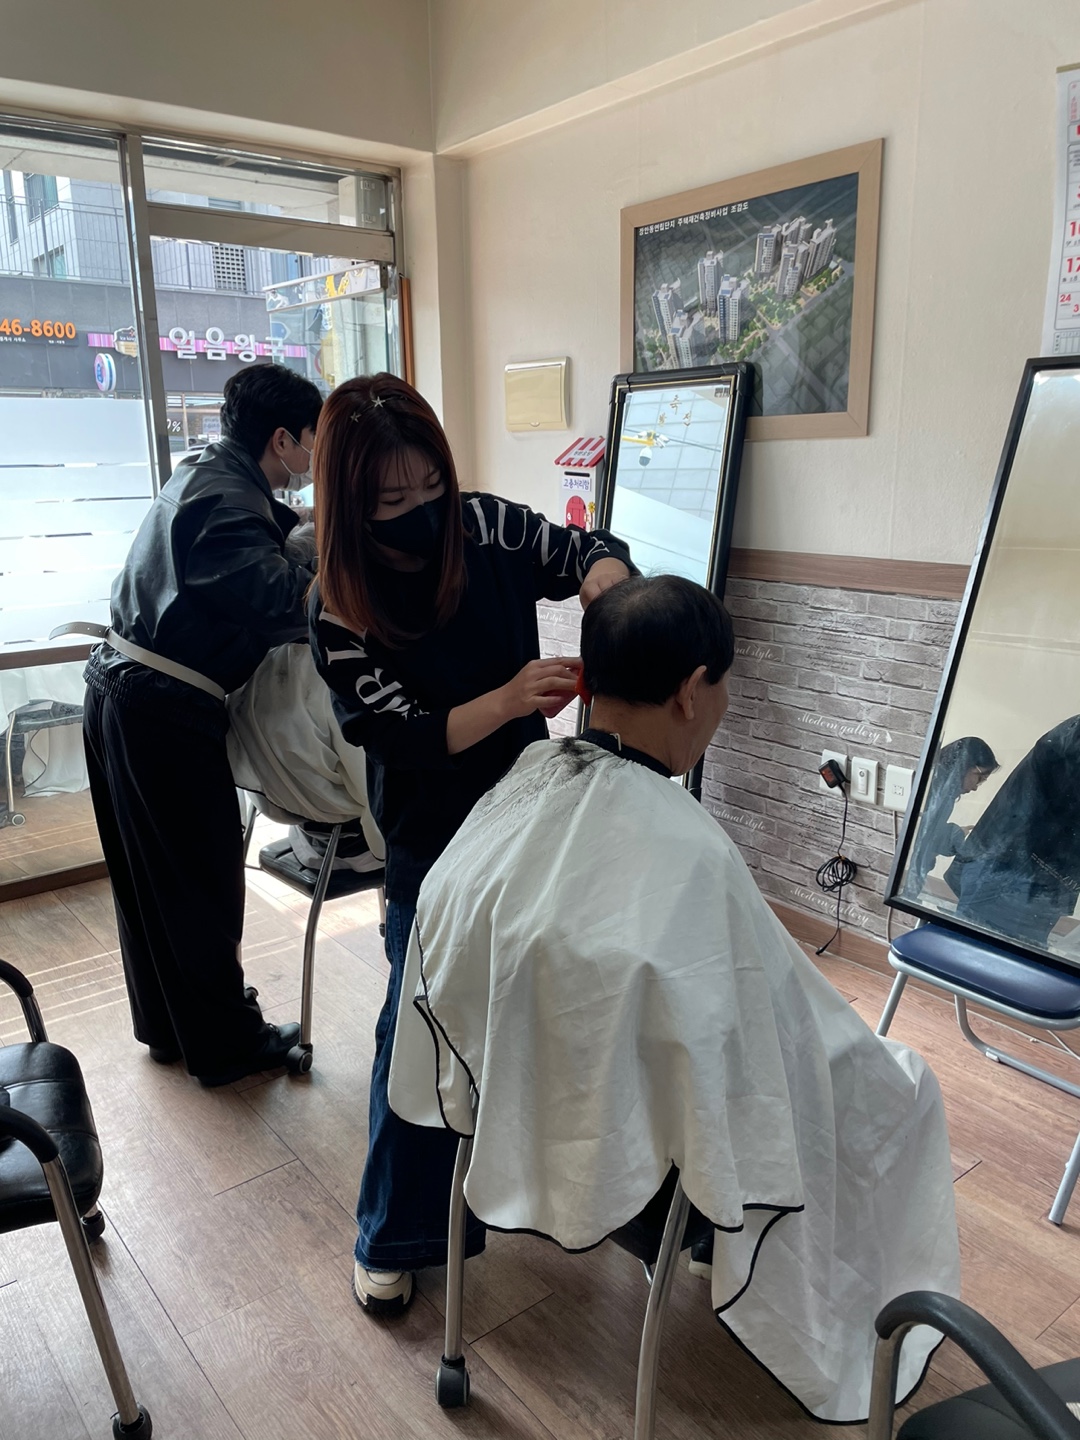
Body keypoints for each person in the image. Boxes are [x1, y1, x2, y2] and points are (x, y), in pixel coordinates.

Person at [388, 574, 960, 1424]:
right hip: (650, 1150)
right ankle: (753, 1253)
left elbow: (446, 916)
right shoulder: (690, 853)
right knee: (905, 1092)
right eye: (722, 685)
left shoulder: (522, 784)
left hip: (507, 1089)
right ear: (692, 691)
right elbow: (772, 1030)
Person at [308, 373, 634, 1313]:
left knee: (586, 994)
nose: (420, 511)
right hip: (430, 835)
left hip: (530, 809)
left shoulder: (484, 526)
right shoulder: (337, 608)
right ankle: (392, 1232)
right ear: (349, 506)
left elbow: (584, 548)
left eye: (430, 487)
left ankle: (643, 1209)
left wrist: (610, 587)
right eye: (391, 500)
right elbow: (406, 737)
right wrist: (509, 697)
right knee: (417, 1022)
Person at [82, 363, 322, 1086]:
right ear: (282, 439)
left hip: (120, 688)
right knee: (202, 882)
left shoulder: (209, 471)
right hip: (161, 707)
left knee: (150, 882)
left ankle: (169, 1028)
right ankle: (226, 1046)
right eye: (313, 438)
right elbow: (282, 601)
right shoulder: (226, 502)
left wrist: (309, 530)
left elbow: (267, 535)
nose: (315, 454)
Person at [227, 526, 384, 875]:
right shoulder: (340, 679)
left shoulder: (248, 663)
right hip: (353, 843)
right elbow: (380, 799)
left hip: (293, 819)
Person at [945, 714, 1080, 947]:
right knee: (976, 945)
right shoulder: (1070, 738)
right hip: (1015, 868)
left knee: (999, 949)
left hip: (1031, 872)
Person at [907, 735, 999, 894]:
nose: (976, 787)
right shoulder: (937, 791)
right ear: (965, 766)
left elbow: (930, 834)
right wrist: (956, 834)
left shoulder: (940, 787)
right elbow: (922, 837)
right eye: (980, 778)